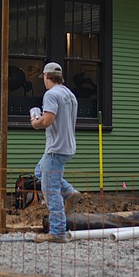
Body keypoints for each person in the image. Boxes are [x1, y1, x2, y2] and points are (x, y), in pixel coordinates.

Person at [30, 62, 81, 243]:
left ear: (46, 76)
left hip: (56, 149)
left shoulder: (51, 94)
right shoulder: (69, 94)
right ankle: (69, 191)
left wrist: (35, 120)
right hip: (68, 146)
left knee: (50, 190)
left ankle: (57, 232)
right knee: (39, 171)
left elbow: (48, 120)